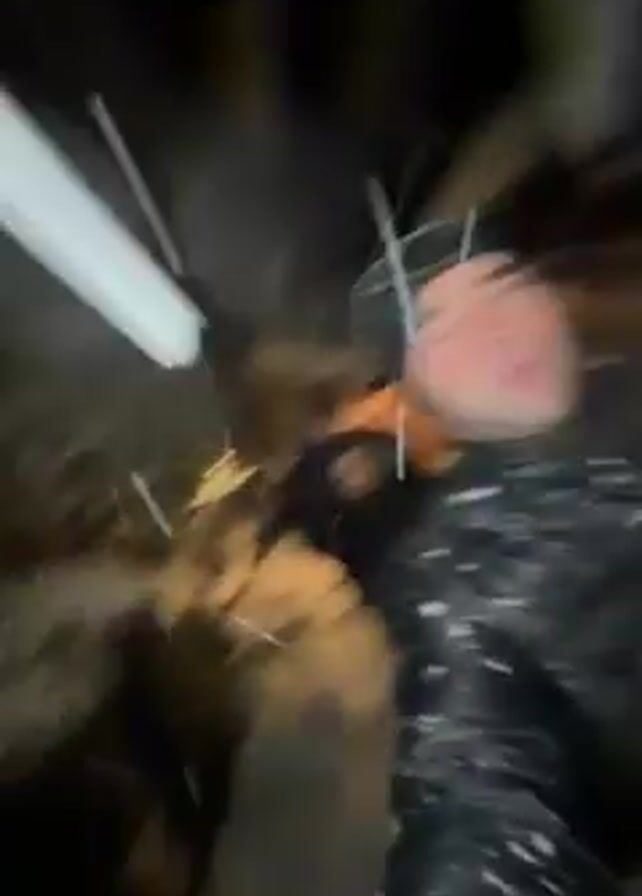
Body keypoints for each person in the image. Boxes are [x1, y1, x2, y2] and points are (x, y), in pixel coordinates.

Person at [355, 254, 642, 896]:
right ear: (415, 390)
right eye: (437, 324)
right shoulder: (458, 582)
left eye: (504, 283)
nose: (495, 326)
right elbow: (475, 787)